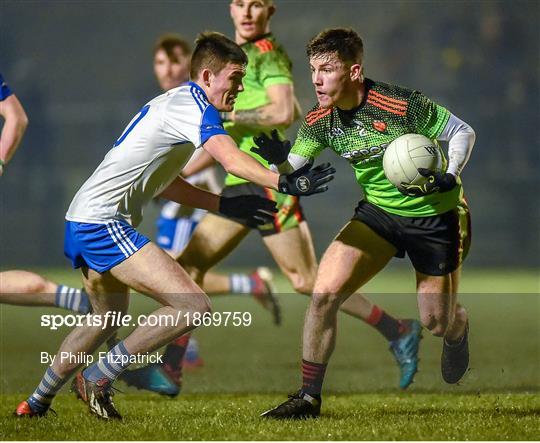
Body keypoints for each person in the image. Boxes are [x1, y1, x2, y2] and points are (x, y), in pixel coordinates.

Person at [14, 31, 334, 420]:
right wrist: (284, 181)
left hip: (84, 217)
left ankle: (35, 402)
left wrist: (221, 204)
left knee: (106, 318)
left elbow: (165, 182)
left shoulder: (176, 102)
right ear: (206, 77)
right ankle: (98, 375)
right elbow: (231, 161)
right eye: (234, 77)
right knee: (193, 305)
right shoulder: (194, 107)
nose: (239, 86)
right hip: (102, 222)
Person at [125, 0, 422, 395]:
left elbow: (284, 111)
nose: (247, 13)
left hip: (266, 185)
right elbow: (248, 131)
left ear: (270, 11)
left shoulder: (267, 55)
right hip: (240, 184)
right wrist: (177, 174)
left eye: (256, 5)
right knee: (189, 266)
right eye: (239, 5)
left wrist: (230, 118)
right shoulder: (240, 59)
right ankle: (171, 369)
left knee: (306, 282)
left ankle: (398, 329)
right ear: (230, 10)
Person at [260, 28, 475, 419]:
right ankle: (308, 398)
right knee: (323, 292)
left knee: (436, 321)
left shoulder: (402, 103)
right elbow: (294, 166)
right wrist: (279, 159)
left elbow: (461, 131)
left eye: (327, 68)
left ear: (354, 70)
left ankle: (458, 328)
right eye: (312, 69)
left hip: (435, 215)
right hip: (379, 213)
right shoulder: (321, 119)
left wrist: (453, 172)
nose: (316, 78)